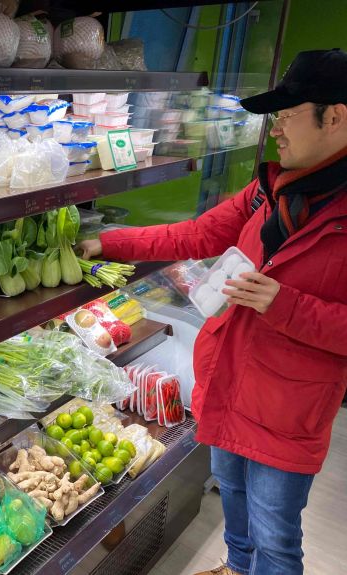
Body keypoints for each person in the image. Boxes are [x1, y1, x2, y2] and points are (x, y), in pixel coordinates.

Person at [79, 49, 347, 575]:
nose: (275, 130)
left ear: (335, 116)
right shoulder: (268, 192)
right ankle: (235, 568)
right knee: (238, 516)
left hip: (288, 411)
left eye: (287, 115)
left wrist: (285, 305)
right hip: (227, 384)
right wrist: (106, 243)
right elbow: (194, 234)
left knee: (276, 539)